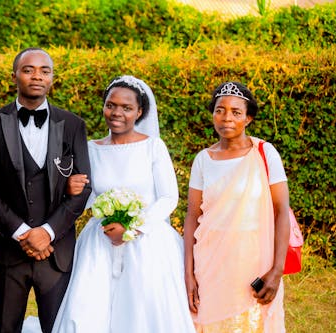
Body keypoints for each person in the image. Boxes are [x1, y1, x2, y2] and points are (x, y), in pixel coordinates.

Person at [52, 75, 196, 333]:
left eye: (126, 108)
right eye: (111, 105)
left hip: (147, 241)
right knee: (87, 309)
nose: (117, 112)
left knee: (142, 311)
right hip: (100, 241)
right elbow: (88, 197)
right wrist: (69, 191)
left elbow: (168, 197)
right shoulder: (90, 148)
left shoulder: (153, 146)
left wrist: (132, 228)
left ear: (139, 112)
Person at [0, 47, 91, 333]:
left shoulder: (73, 124)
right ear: (14, 76)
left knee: (57, 327)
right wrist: (23, 233)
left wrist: (47, 232)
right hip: (8, 250)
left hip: (56, 251)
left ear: (52, 78)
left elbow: (84, 188)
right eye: (28, 70)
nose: (36, 76)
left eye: (44, 71)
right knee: (5, 327)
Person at [184, 81, 289, 332]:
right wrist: (188, 274)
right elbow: (191, 216)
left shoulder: (264, 153)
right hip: (209, 262)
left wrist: (276, 270)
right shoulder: (203, 160)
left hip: (253, 261)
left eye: (236, 112)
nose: (226, 118)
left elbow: (281, 210)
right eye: (220, 110)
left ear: (248, 118)